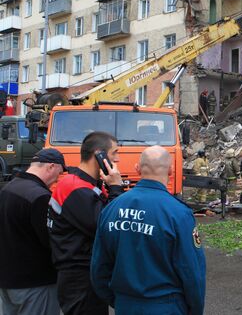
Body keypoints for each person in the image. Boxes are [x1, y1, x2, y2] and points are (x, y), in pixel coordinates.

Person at [91, 146, 206, 315]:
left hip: (125, 306)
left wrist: (119, 300)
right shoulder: (178, 214)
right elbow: (192, 273)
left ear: (137, 168)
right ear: (171, 170)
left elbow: (98, 268)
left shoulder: (112, 208)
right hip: (166, 307)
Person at [48, 131, 124, 315]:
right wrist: (115, 188)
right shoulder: (76, 188)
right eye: (115, 153)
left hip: (83, 274)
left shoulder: (84, 185)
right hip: (79, 278)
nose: (118, 159)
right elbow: (109, 226)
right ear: (99, 154)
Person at [0, 149, 67, 315]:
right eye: (58, 174)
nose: (56, 180)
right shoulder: (40, 197)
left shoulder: (9, 188)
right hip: (35, 283)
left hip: (8, 279)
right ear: (51, 166)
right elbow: (51, 240)